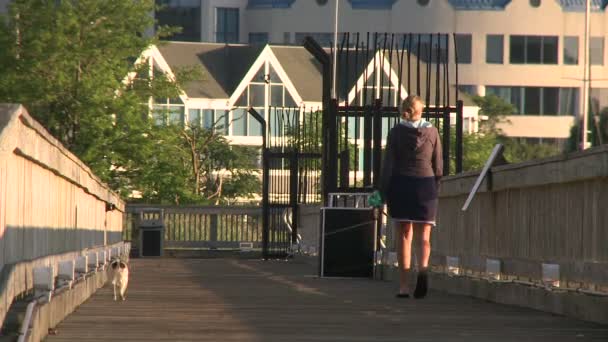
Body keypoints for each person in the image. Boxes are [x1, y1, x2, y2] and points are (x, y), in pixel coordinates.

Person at [379, 95, 442, 299]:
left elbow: (387, 166)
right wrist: (435, 187)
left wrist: (379, 196)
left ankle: (404, 286)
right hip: (425, 185)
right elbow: (438, 164)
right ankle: (422, 270)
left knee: (404, 235)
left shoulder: (396, 132)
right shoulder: (432, 132)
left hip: (401, 185)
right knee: (424, 237)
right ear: (421, 111)